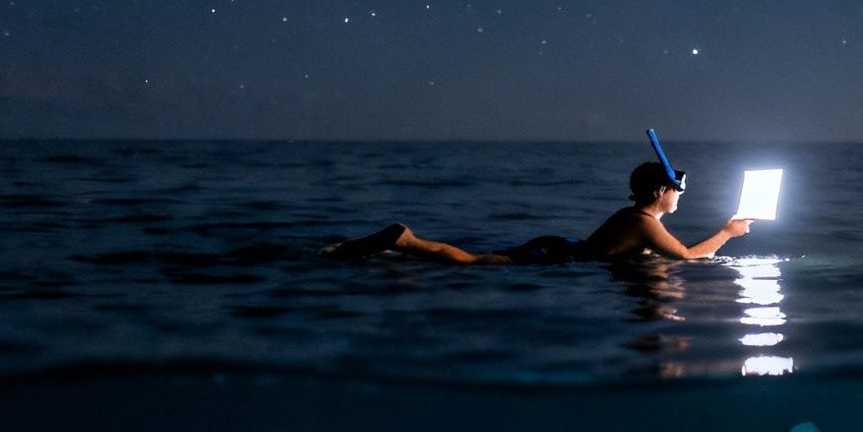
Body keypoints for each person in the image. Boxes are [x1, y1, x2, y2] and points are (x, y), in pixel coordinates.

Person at [322, 162, 751, 264]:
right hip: (555, 257)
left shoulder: (636, 219)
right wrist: (728, 232)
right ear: (661, 191)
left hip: (559, 248)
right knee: (472, 265)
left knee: (475, 262)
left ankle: (395, 243)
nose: (681, 199)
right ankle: (405, 240)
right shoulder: (643, 224)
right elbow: (689, 257)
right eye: (678, 192)